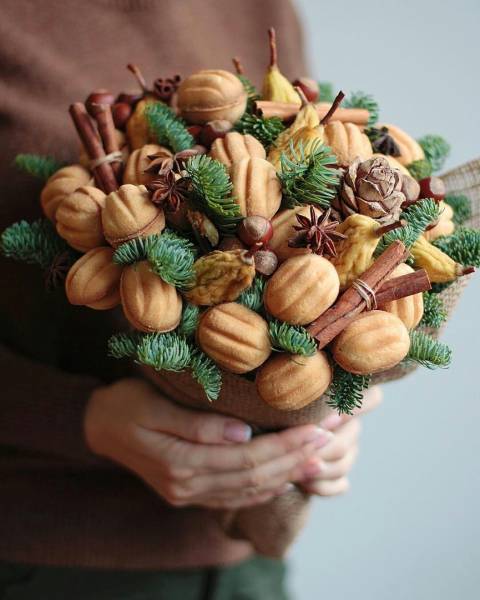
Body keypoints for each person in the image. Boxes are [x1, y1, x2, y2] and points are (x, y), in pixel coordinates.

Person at [0, 1, 382, 597]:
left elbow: (324, 213)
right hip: (44, 557)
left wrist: (331, 407)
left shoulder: (261, 7)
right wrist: (82, 421)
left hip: (243, 568)